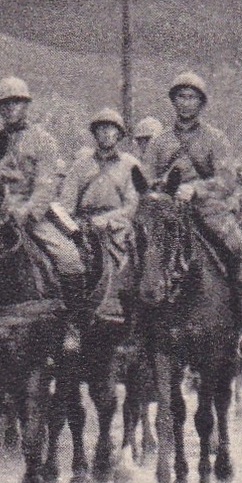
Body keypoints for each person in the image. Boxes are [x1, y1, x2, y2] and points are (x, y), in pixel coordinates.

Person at [142, 71, 242, 361]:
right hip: (169, 213)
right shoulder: (159, 142)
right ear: (173, 101)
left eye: (192, 97)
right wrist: (161, 190)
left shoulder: (215, 139)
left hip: (209, 212)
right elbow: (147, 180)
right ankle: (137, 330)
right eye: (180, 97)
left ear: (201, 103)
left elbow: (226, 181)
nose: (185, 103)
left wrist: (194, 189)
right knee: (140, 254)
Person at [0, 76, 87, 347]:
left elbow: (46, 184)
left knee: (69, 258)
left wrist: (26, 212)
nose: (10, 109)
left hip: (31, 214)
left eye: (16, 103)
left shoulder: (43, 141)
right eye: (4, 105)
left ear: (26, 105)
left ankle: (72, 325)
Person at [57, 108, 142, 323]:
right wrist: (71, 222)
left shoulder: (130, 165)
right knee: (64, 256)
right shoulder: (81, 165)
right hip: (82, 223)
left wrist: (105, 221)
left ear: (119, 134)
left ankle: (116, 307)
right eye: (100, 129)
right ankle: (70, 315)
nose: (105, 133)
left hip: (117, 225)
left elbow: (133, 203)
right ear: (94, 133)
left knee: (126, 255)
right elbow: (67, 200)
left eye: (110, 129)